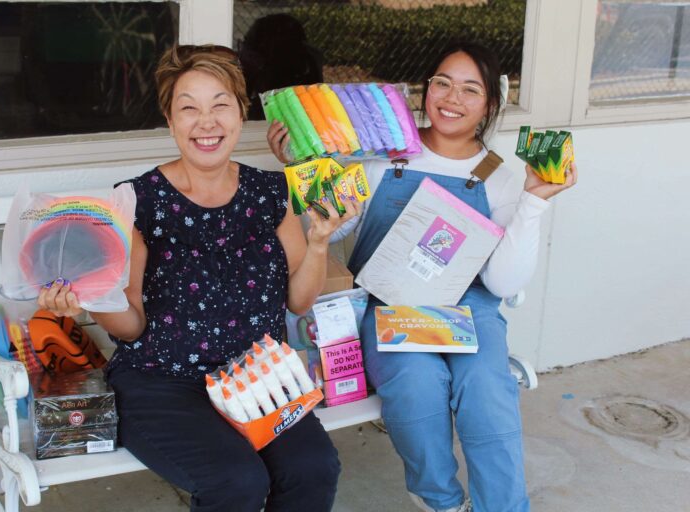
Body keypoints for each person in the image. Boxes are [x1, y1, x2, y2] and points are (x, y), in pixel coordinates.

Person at [39, 44, 358, 512]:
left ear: (240, 112)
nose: (206, 122)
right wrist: (90, 296)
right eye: (188, 108)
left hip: (257, 379)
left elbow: (299, 302)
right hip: (163, 384)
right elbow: (130, 326)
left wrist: (317, 243)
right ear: (170, 121)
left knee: (313, 467)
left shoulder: (271, 193)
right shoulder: (137, 202)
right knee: (236, 482)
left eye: (220, 105)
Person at [268, 41, 577, 512]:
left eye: (471, 89)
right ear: (424, 90)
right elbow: (331, 229)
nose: (453, 98)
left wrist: (535, 201)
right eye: (442, 83)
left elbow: (503, 283)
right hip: (392, 305)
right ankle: (442, 501)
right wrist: (301, 166)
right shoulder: (384, 157)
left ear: (491, 103)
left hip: (471, 306)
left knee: (485, 388)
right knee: (416, 383)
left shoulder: (500, 177)